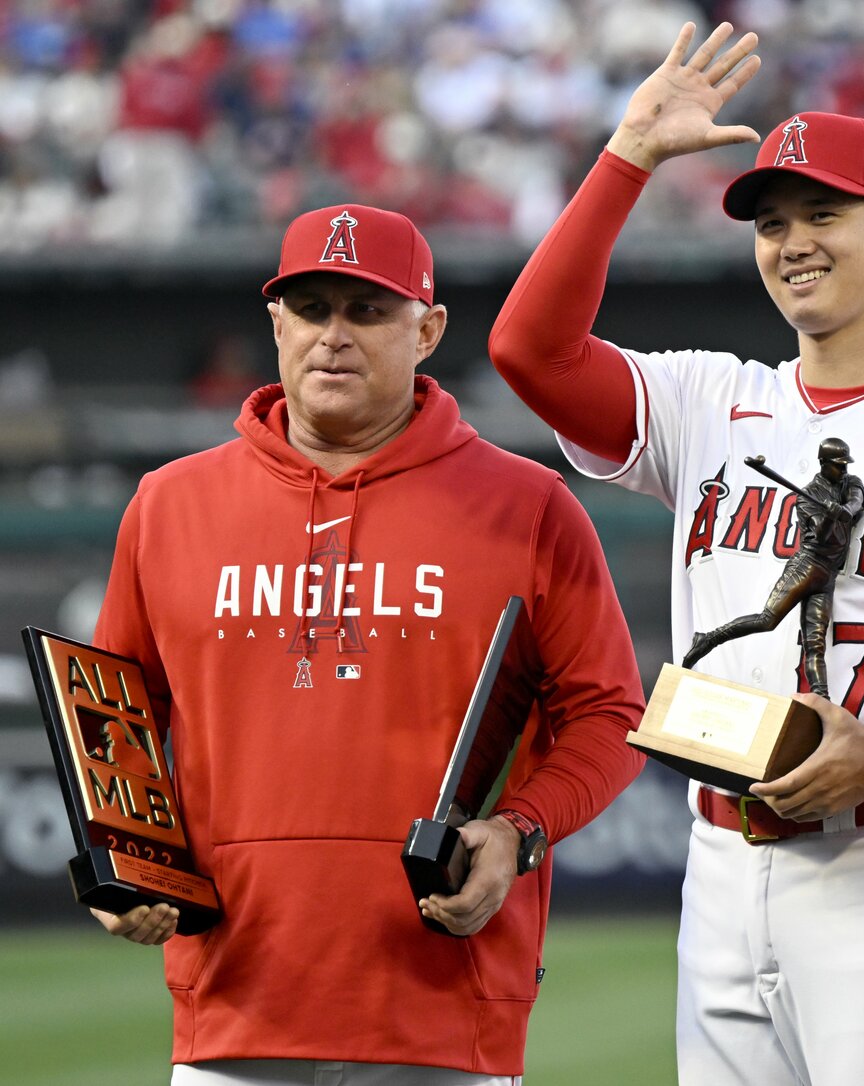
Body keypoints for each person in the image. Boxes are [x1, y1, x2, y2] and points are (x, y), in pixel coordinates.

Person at [488, 22, 864, 1085]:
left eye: (824, 213)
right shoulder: (712, 400)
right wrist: (627, 152)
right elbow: (528, 350)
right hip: (720, 862)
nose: (793, 243)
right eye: (771, 224)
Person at [90, 202, 647, 1085]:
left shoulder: (530, 505)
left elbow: (611, 714)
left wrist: (517, 832)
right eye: (311, 310)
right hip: (235, 1000)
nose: (334, 336)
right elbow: (112, 715)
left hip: (443, 1001)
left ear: (427, 330)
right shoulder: (167, 505)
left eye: (368, 311)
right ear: (276, 324)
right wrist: (128, 859)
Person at [682, 438, 864, 697]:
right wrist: (829, 517)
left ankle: (821, 701)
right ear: (824, 464)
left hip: (827, 576)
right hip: (807, 567)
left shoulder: (849, 482)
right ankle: (709, 638)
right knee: (767, 620)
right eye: (838, 465)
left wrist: (844, 509)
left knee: (815, 643)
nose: (844, 470)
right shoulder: (806, 497)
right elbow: (825, 537)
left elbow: (857, 500)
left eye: (845, 464)